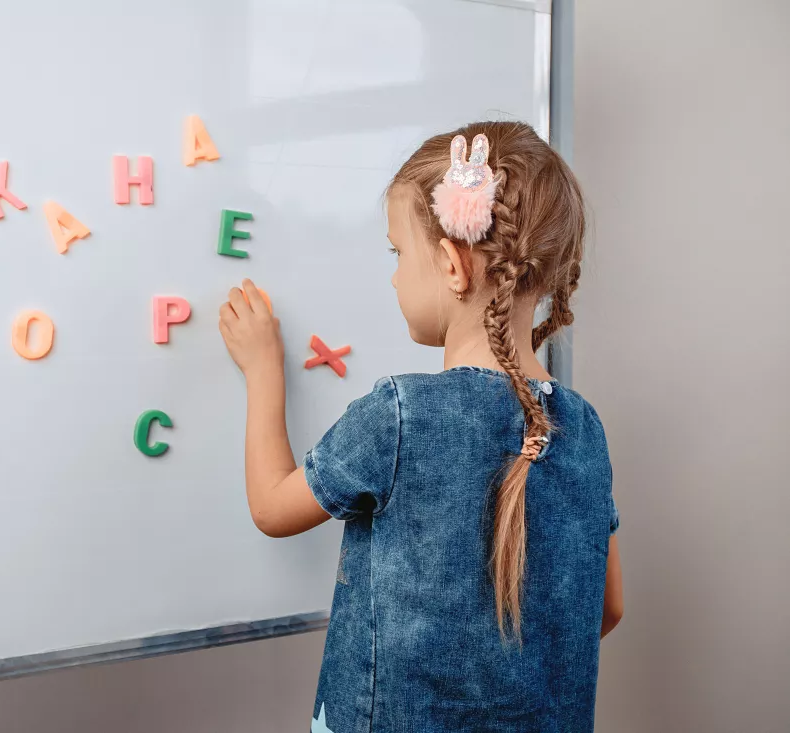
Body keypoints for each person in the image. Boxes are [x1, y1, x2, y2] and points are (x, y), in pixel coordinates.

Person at [218, 121, 622, 732]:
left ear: (452, 266)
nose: (393, 275)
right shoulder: (585, 429)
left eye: (397, 254)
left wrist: (262, 371)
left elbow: (274, 508)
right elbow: (606, 609)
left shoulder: (399, 415)